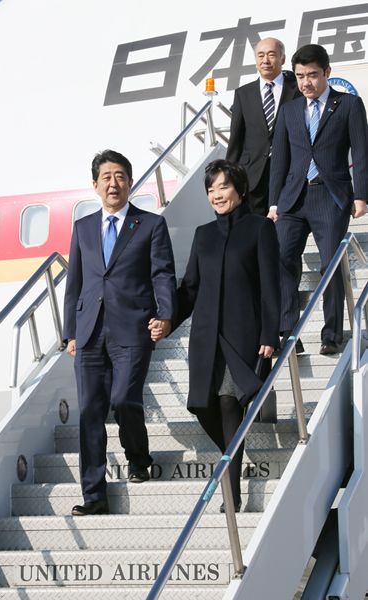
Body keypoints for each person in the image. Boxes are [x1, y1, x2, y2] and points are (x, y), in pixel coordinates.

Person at [151, 160, 280, 511]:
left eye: (222, 187)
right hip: (206, 335)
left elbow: (271, 286)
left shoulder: (259, 229)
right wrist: (167, 321)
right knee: (202, 405)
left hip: (243, 333)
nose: (216, 195)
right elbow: (190, 288)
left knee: (228, 402)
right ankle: (231, 454)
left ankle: (232, 492)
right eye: (210, 190)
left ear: (238, 188)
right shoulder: (203, 235)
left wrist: (271, 332)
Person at [63, 149, 176, 516]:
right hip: (90, 330)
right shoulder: (82, 229)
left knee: (125, 399)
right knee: (90, 413)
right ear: (95, 185)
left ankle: (138, 457)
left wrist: (166, 314)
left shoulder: (150, 225)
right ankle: (94, 496)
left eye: (120, 176)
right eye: (106, 177)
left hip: (133, 327)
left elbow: (162, 273)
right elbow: (75, 283)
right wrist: (70, 333)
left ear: (130, 181)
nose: (114, 183)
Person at [268, 44, 368, 355]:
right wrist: (274, 203)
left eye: (312, 75)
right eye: (299, 76)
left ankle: (332, 335)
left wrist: (362, 195)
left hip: (330, 196)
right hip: (292, 201)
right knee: (282, 261)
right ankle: (288, 332)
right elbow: (280, 162)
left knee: (330, 265)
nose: (306, 83)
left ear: (327, 72)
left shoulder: (349, 105)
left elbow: (362, 153)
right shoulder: (288, 111)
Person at [226, 37, 300, 216]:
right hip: (252, 177)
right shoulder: (243, 93)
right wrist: (229, 177)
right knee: (255, 232)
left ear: (282, 59)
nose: (265, 60)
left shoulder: (297, 89)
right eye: (260, 55)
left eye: (271, 54)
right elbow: (236, 138)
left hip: (289, 174)